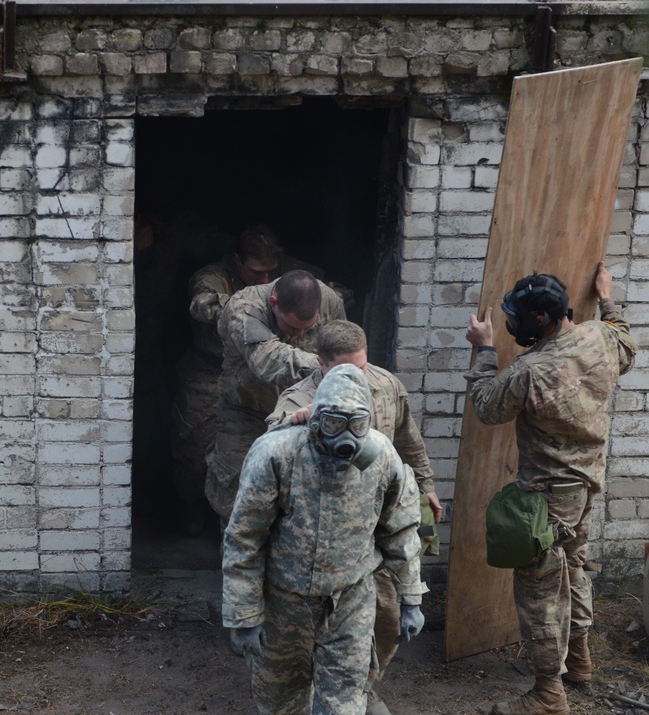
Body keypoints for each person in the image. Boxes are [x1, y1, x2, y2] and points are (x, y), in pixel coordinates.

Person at [465, 262, 636, 715]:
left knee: (540, 592)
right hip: (585, 485)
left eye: (516, 319)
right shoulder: (598, 337)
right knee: (574, 567)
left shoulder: (531, 370)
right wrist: (606, 298)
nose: (510, 325)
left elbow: (486, 406)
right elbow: (625, 339)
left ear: (539, 320)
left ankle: (548, 694)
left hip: (546, 498)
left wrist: (484, 349)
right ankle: (579, 664)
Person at [223, 364, 427, 714]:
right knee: (281, 702)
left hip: (350, 602)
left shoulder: (381, 458)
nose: (345, 436)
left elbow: (400, 530)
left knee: (345, 702)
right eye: (333, 423)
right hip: (283, 604)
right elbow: (245, 538)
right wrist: (244, 615)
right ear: (314, 418)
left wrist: (411, 598)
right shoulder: (277, 454)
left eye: (357, 424)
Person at [266, 320, 440, 715]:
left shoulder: (387, 385)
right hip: (322, 537)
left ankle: (362, 685)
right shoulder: (299, 399)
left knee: (387, 618)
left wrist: (426, 483)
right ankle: (318, 690)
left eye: (360, 367)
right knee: (312, 632)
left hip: (377, 525)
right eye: (344, 368)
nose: (356, 376)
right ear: (320, 364)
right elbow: (271, 449)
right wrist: (300, 421)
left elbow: (408, 437)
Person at [172, 224, 324, 536]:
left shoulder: (290, 274)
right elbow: (202, 305)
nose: (266, 280)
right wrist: (249, 305)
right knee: (193, 449)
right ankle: (188, 508)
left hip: (262, 375)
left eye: (272, 272)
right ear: (239, 262)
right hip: (209, 371)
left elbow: (323, 291)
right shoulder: (216, 275)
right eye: (257, 272)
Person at [205, 268, 347, 525]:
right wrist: (327, 367)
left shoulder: (330, 301)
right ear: (274, 303)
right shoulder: (244, 309)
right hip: (245, 412)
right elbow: (268, 360)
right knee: (236, 500)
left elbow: (344, 346)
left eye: (309, 327)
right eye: (292, 326)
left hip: (302, 415)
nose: (301, 334)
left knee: (301, 495)